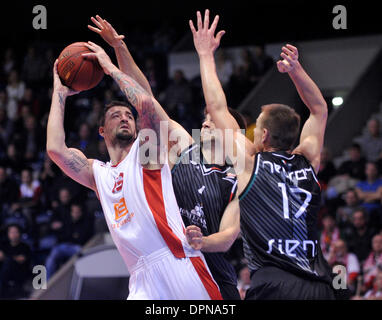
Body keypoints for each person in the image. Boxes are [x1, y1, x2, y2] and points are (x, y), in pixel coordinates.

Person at [46, 17, 221, 299]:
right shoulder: (97, 173)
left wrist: (111, 63)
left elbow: (146, 103)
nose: (126, 118)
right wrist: (59, 93)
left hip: (178, 261)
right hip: (140, 278)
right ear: (102, 130)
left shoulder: (147, 149)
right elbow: (55, 149)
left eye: (129, 116)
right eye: (117, 116)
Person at [89, 14, 244, 300]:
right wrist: (119, 48)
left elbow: (229, 237)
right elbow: (145, 96)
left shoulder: (240, 174)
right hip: (172, 267)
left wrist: (203, 241)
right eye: (205, 119)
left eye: (214, 120)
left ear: (232, 132)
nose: (207, 123)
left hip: (214, 274)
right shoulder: (184, 147)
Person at [196, 9, 335, 299]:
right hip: (319, 285)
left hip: (274, 282)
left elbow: (217, 107)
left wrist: (206, 55)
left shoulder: (250, 162)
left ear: (264, 136)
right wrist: (296, 70)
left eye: (255, 128)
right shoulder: (309, 159)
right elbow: (319, 108)